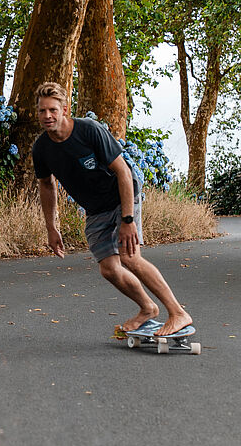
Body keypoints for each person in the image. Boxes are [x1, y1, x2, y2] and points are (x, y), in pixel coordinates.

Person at [31, 81, 193, 338]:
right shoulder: (41, 148)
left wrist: (128, 220)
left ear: (64, 109)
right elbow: (46, 186)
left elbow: (124, 172)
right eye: (42, 111)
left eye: (52, 109)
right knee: (109, 268)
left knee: (130, 257)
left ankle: (178, 313)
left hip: (122, 198)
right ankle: (148, 309)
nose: (47, 116)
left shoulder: (88, 130)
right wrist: (52, 228)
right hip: (95, 210)